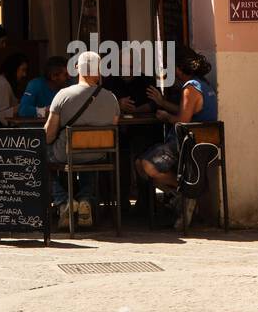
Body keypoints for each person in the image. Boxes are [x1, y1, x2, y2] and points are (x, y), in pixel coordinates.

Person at [137, 46, 218, 229]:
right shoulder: (202, 84)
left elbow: (182, 120)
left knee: (147, 165)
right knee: (139, 165)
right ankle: (182, 197)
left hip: (188, 143)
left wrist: (166, 117)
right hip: (202, 142)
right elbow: (188, 111)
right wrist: (163, 103)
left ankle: (188, 192)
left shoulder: (190, 88)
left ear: (179, 69)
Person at [44, 50, 120, 230]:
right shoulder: (112, 98)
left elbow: (49, 135)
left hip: (66, 154)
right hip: (98, 154)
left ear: (78, 68)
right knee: (89, 158)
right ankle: (85, 199)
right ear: (98, 71)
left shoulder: (63, 95)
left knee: (41, 155)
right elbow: (114, 126)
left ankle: (64, 201)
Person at [18, 55, 70, 119]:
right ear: (54, 76)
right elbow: (23, 110)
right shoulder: (35, 85)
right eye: (66, 74)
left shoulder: (69, 87)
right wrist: (44, 111)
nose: (69, 77)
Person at [0, 52, 28, 126]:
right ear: (14, 69)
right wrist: (23, 107)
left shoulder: (3, 81)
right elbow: (1, 115)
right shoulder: (3, 84)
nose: (24, 74)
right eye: (22, 70)